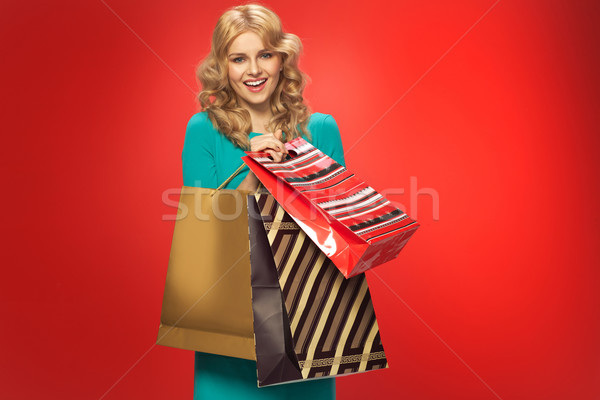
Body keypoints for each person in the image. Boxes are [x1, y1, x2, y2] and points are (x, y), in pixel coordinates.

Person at [181, 4, 345, 399]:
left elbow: (337, 237)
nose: (254, 71)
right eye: (239, 58)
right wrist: (254, 172)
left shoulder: (320, 129)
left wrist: (295, 172)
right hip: (229, 333)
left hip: (304, 331)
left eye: (265, 55)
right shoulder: (203, 129)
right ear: (223, 66)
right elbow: (201, 231)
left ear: (282, 58)